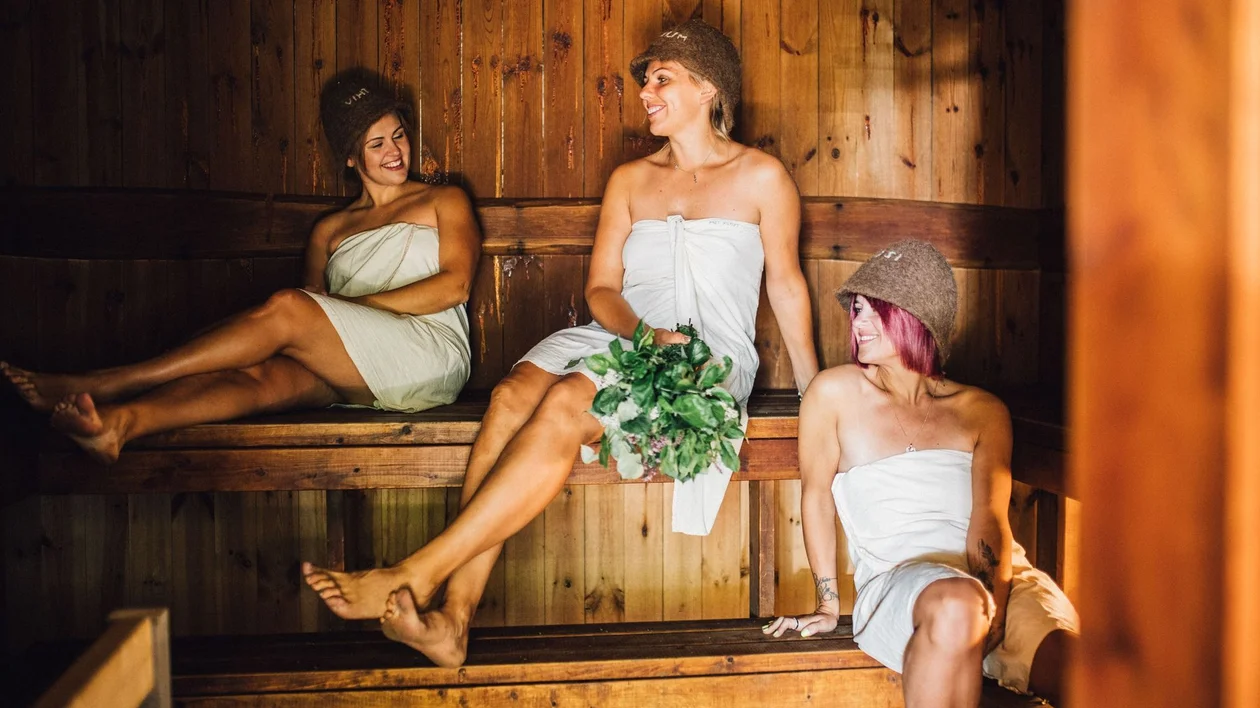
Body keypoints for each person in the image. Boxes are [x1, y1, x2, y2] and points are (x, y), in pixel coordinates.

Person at [302, 19, 819, 667]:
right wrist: (638, 333)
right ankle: (453, 621)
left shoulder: (762, 177)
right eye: (645, 80)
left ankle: (414, 574)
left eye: (662, 78)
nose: (646, 91)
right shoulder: (632, 180)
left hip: (703, 356)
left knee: (571, 397)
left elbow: (789, 288)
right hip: (625, 332)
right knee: (513, 393)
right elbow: (603, 289)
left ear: (709, 87)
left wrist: (812, 394)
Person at [1, 69, 479, 463]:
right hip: (355, 373)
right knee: (262, 378)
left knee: (291, 308)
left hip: (428, 358)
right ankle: (121, 424)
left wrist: (343, 313)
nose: (394, 151)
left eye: (397, 136)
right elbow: (299, 332)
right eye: (376, 144)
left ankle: (111, 379)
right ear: (351, 158)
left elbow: (454, 286)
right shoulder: (329, 231)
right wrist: (330, 321)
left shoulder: (443, 199)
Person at [762, 240, 1079, 707]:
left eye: (875, 311)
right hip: (901, 583)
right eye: (858, 309)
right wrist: (829, 603)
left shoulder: (981, 411)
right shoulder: (834, 395)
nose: (858, 322)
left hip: (998, 578)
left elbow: (990, 522)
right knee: (956, 604)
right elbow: (816, 498)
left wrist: (995, 613)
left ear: (917, 319)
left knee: (1083, 670)